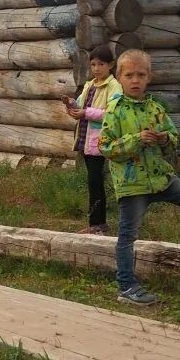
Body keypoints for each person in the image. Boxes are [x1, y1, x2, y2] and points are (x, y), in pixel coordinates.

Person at [100, 49, 180, 305]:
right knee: (128, 235)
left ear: (149, 77)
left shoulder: (156, 109)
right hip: (132, 184)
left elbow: (173, 140)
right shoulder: (114, 111)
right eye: (129, 75)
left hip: (161, 179)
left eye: (141, 75)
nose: (135, 80)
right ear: (120, 77)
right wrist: (136, 140)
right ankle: (126, 286)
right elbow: (106, 147)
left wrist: (163, 139)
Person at [65, 43, 122, 234]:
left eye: (101, 64)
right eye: (93, 65)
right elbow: (80, 104)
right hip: (88, 141)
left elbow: (112, 113)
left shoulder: (114, 87)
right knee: (93, 181)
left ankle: (98, 224)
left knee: (96, 181)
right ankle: (98, 223)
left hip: (101, 142)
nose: (96, 68)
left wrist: (85, 113)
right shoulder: (90, 85)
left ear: (111, 65)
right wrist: (71, 104)